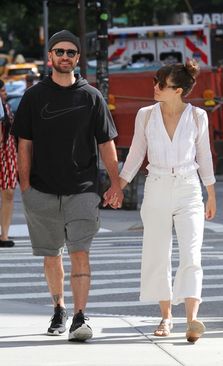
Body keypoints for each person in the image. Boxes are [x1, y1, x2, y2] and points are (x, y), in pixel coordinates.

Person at [11, 29, 123, 342]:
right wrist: (25, 187)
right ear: (50, 57)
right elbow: (24, 144)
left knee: (80, 254)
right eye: (58, 51)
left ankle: (79, 316)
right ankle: (59, 307)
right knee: (51, 256)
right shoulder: (34, 96)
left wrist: (115, 183)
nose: (64, 57)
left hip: (83, 189)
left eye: (70, 52)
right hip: (42, 190)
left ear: (77, 58)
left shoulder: (91, 96)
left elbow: (106, 143)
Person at [105, 60, 216, 343]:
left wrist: (211, 193)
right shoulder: (145, 115)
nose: (154, 88)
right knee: (157, 253)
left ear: (178, 90)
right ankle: (166, 317)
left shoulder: (197, 117)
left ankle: (192, 320)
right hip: (155, 186)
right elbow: (136, 155)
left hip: (189, 189)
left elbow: (204, 156)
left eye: (161, 84)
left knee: (192, 253)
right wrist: (118, 185)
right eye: (156, 81)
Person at [0, 80, 17, 248]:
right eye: (2, 90)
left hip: (8, 153)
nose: (4, 93)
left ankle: (4, 235)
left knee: (9, 193)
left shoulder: (6, 107)